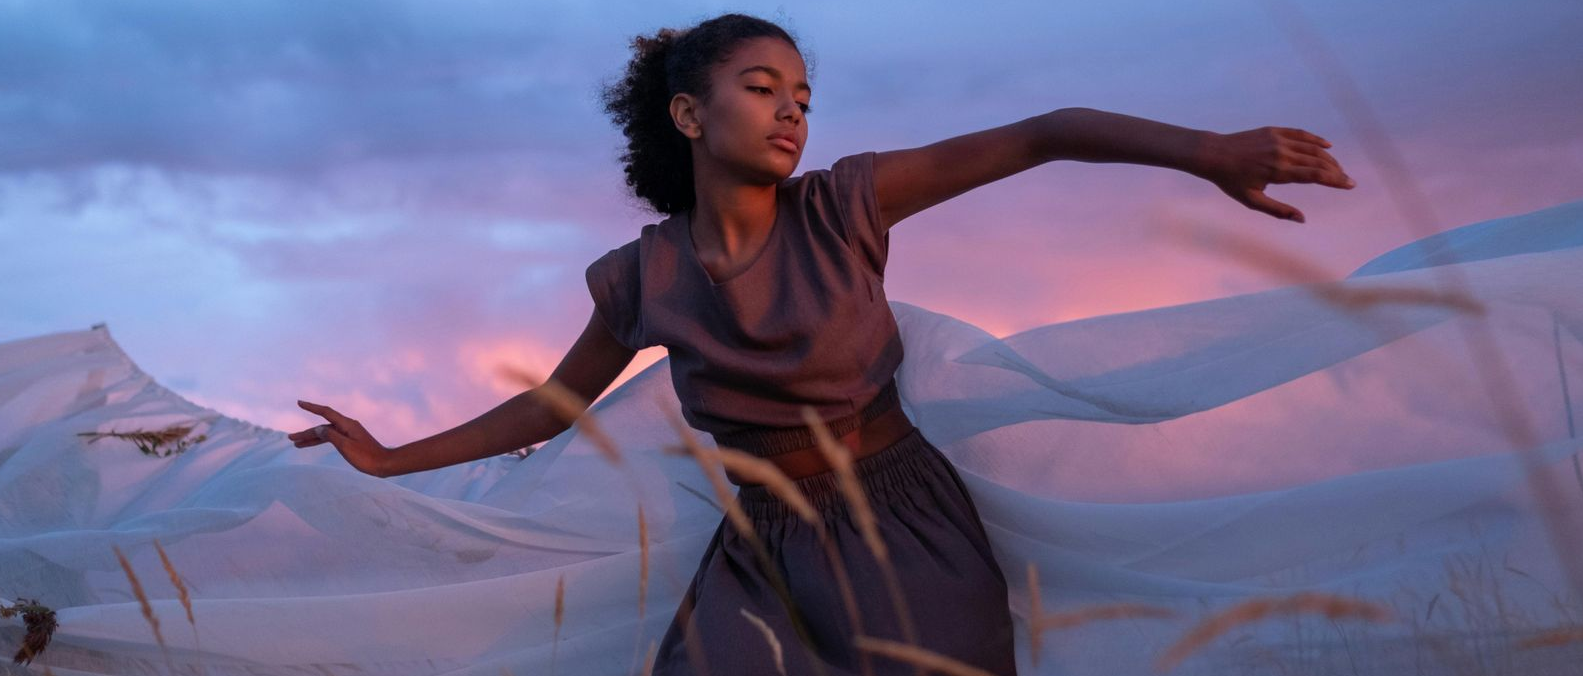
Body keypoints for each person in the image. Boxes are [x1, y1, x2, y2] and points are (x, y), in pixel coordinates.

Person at [287, 11, 1355, 676]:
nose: (792, 112)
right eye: (761, 90)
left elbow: (1040, 134)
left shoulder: (843, 206)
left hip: (905, 526)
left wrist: (1206, 149)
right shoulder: (638, 275)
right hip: (763, 548)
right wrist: (389, 455)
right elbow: (550, 406)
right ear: (689, 115)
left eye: (802, 96)